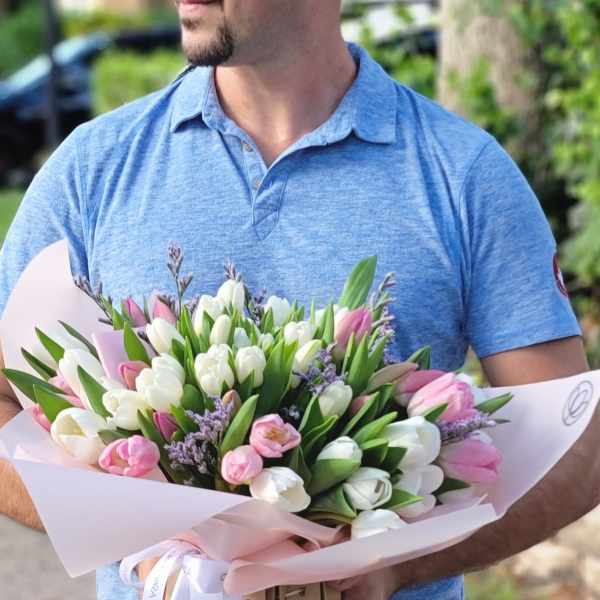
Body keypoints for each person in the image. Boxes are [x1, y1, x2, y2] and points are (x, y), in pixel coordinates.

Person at [0, 1, 597, 599]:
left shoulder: (464, 175)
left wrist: (393, 568)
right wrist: (145, 547)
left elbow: (576, 447)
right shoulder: (94, 167)